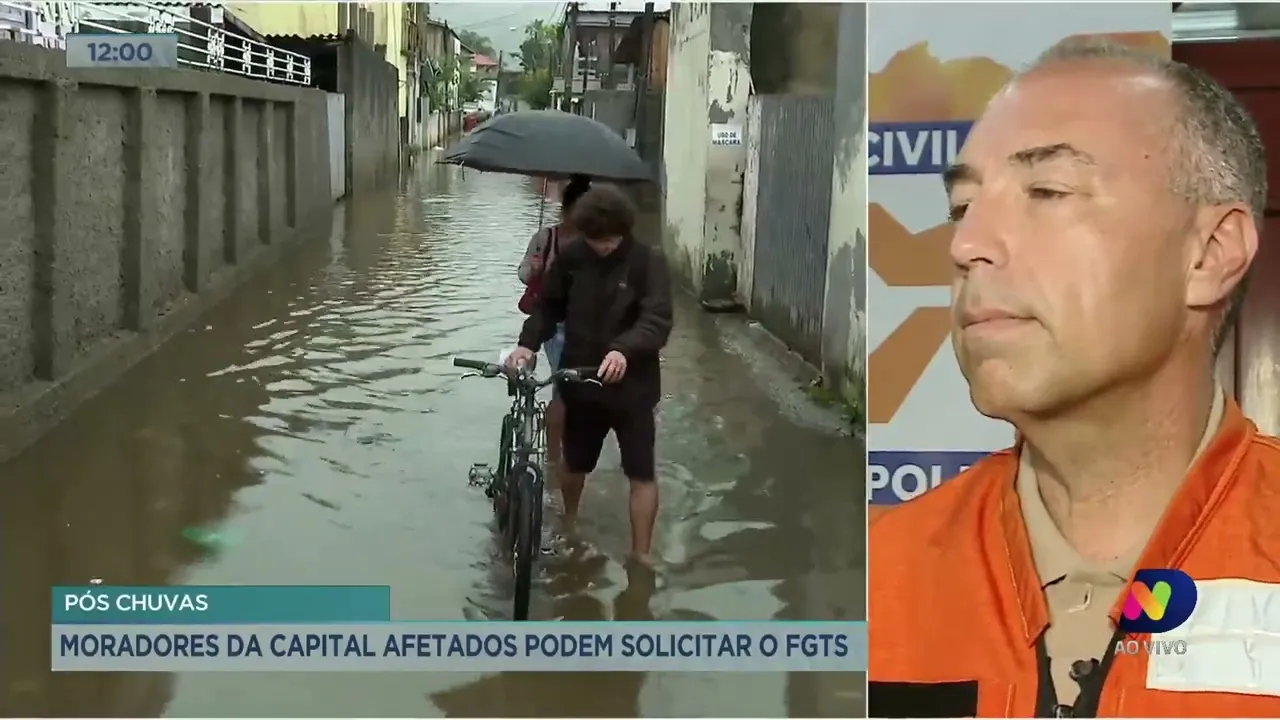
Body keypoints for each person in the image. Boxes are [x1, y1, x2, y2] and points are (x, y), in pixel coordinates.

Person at [868, 37, 1280, 718]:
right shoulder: (884, 574)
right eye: (962, 207)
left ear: (1208, 254)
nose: (966, 245)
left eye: (1048, 191)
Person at [505, 184, 673, 566]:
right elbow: (548, 308)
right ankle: (570, 523)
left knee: (641, 472)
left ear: (624, 231)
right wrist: (527, 344)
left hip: (633, 390)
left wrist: (624, 349)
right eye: (595, 241)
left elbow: (657, 320)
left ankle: (640, 558)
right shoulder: (573, 257)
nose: (602, 249)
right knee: (574, 463)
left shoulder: (649, 263)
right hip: (580, 380)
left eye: (609, 243)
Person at [518, 175, 591, 463]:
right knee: (564, 389)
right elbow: (522, 272)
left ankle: (567, 453)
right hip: (554, 324)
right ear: (566, 209)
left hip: (588, 325)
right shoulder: (545, 239)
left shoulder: (596, 244)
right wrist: (534, 269)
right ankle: (553, 458)